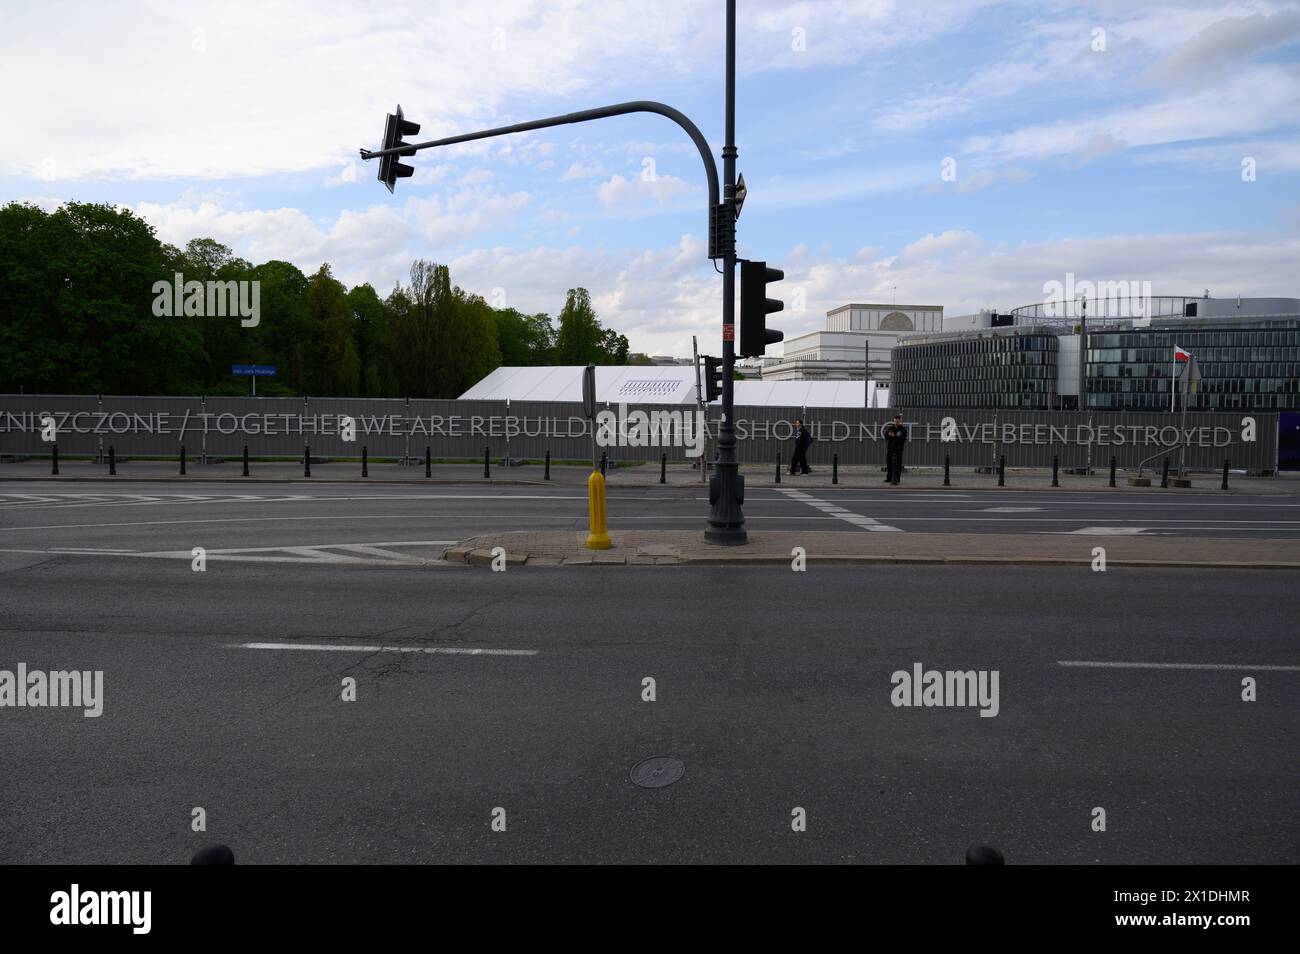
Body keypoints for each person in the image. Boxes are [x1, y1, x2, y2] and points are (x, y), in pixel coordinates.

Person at [883, 413, 907, 484]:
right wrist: (889, 435)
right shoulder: (890, 428)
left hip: (898, 450)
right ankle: (889, 478)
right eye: (895, 421)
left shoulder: (903, 430)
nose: (896, 422)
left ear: (900, 421)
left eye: (898, 421)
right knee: (889, 464)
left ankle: (897, 479)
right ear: (893, 421)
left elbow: (902, 439)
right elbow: (886, 437)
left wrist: (894, 436)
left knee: (898, 465)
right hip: (890, 449)